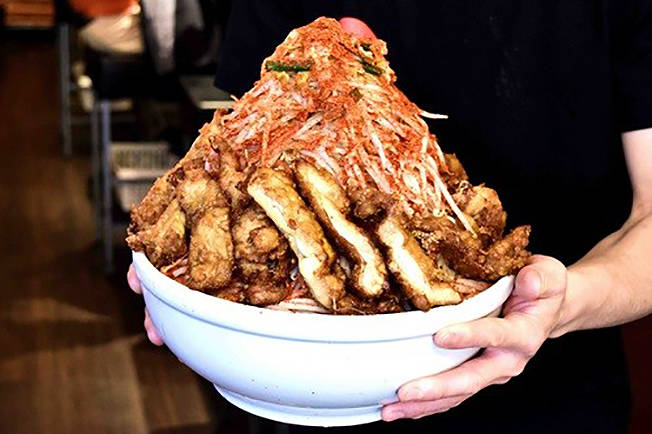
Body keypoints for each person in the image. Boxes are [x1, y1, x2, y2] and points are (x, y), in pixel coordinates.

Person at [128, 2, 652, 433]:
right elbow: (240, 149)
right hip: (290, 389)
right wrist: (180, 288)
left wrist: (563, 303)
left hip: (552, 398)